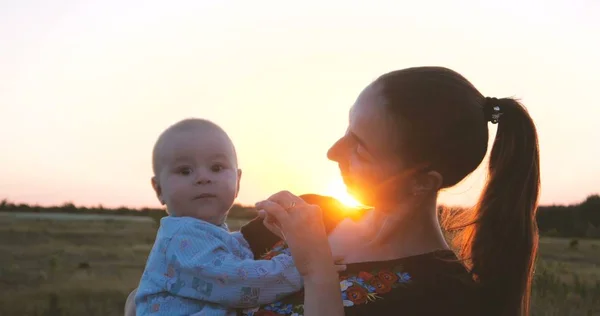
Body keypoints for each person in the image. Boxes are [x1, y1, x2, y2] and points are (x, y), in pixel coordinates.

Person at [126, 66, 540, 316]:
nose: (332, 152)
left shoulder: (444, 297)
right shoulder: (313, 214)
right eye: (346, 128)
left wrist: (316, 269)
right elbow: (179, 280)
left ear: (421, 181)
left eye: (359, 145)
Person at [134, 118, 340, 316]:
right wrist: (303, 265)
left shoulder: (206, 235)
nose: (203, 178)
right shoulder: (180, 239)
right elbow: (241, 282)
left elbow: (232, 252)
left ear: (238, 181)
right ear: (159, 189)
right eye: (185, 171)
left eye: (216, 168)